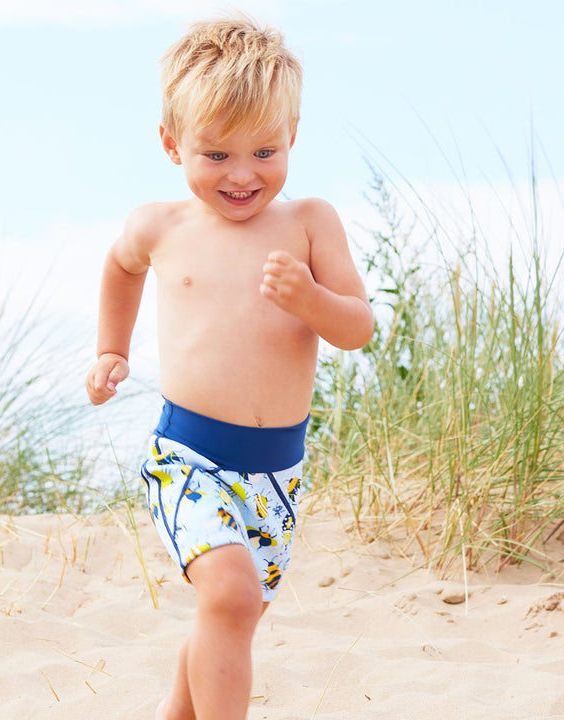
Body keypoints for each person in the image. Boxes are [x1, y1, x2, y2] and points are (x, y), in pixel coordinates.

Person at [86, 14, 373, 720]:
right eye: (216, 155)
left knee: (234, 616)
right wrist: (110, 350)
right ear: (171, 143)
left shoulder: (310, 223)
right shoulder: (162, 227)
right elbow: (120, 269)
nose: (243, 175)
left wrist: (311, 299)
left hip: (278, 473)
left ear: (293, 135)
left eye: (265, 151)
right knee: (231, 596)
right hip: (188, 456)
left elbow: (358, 328)